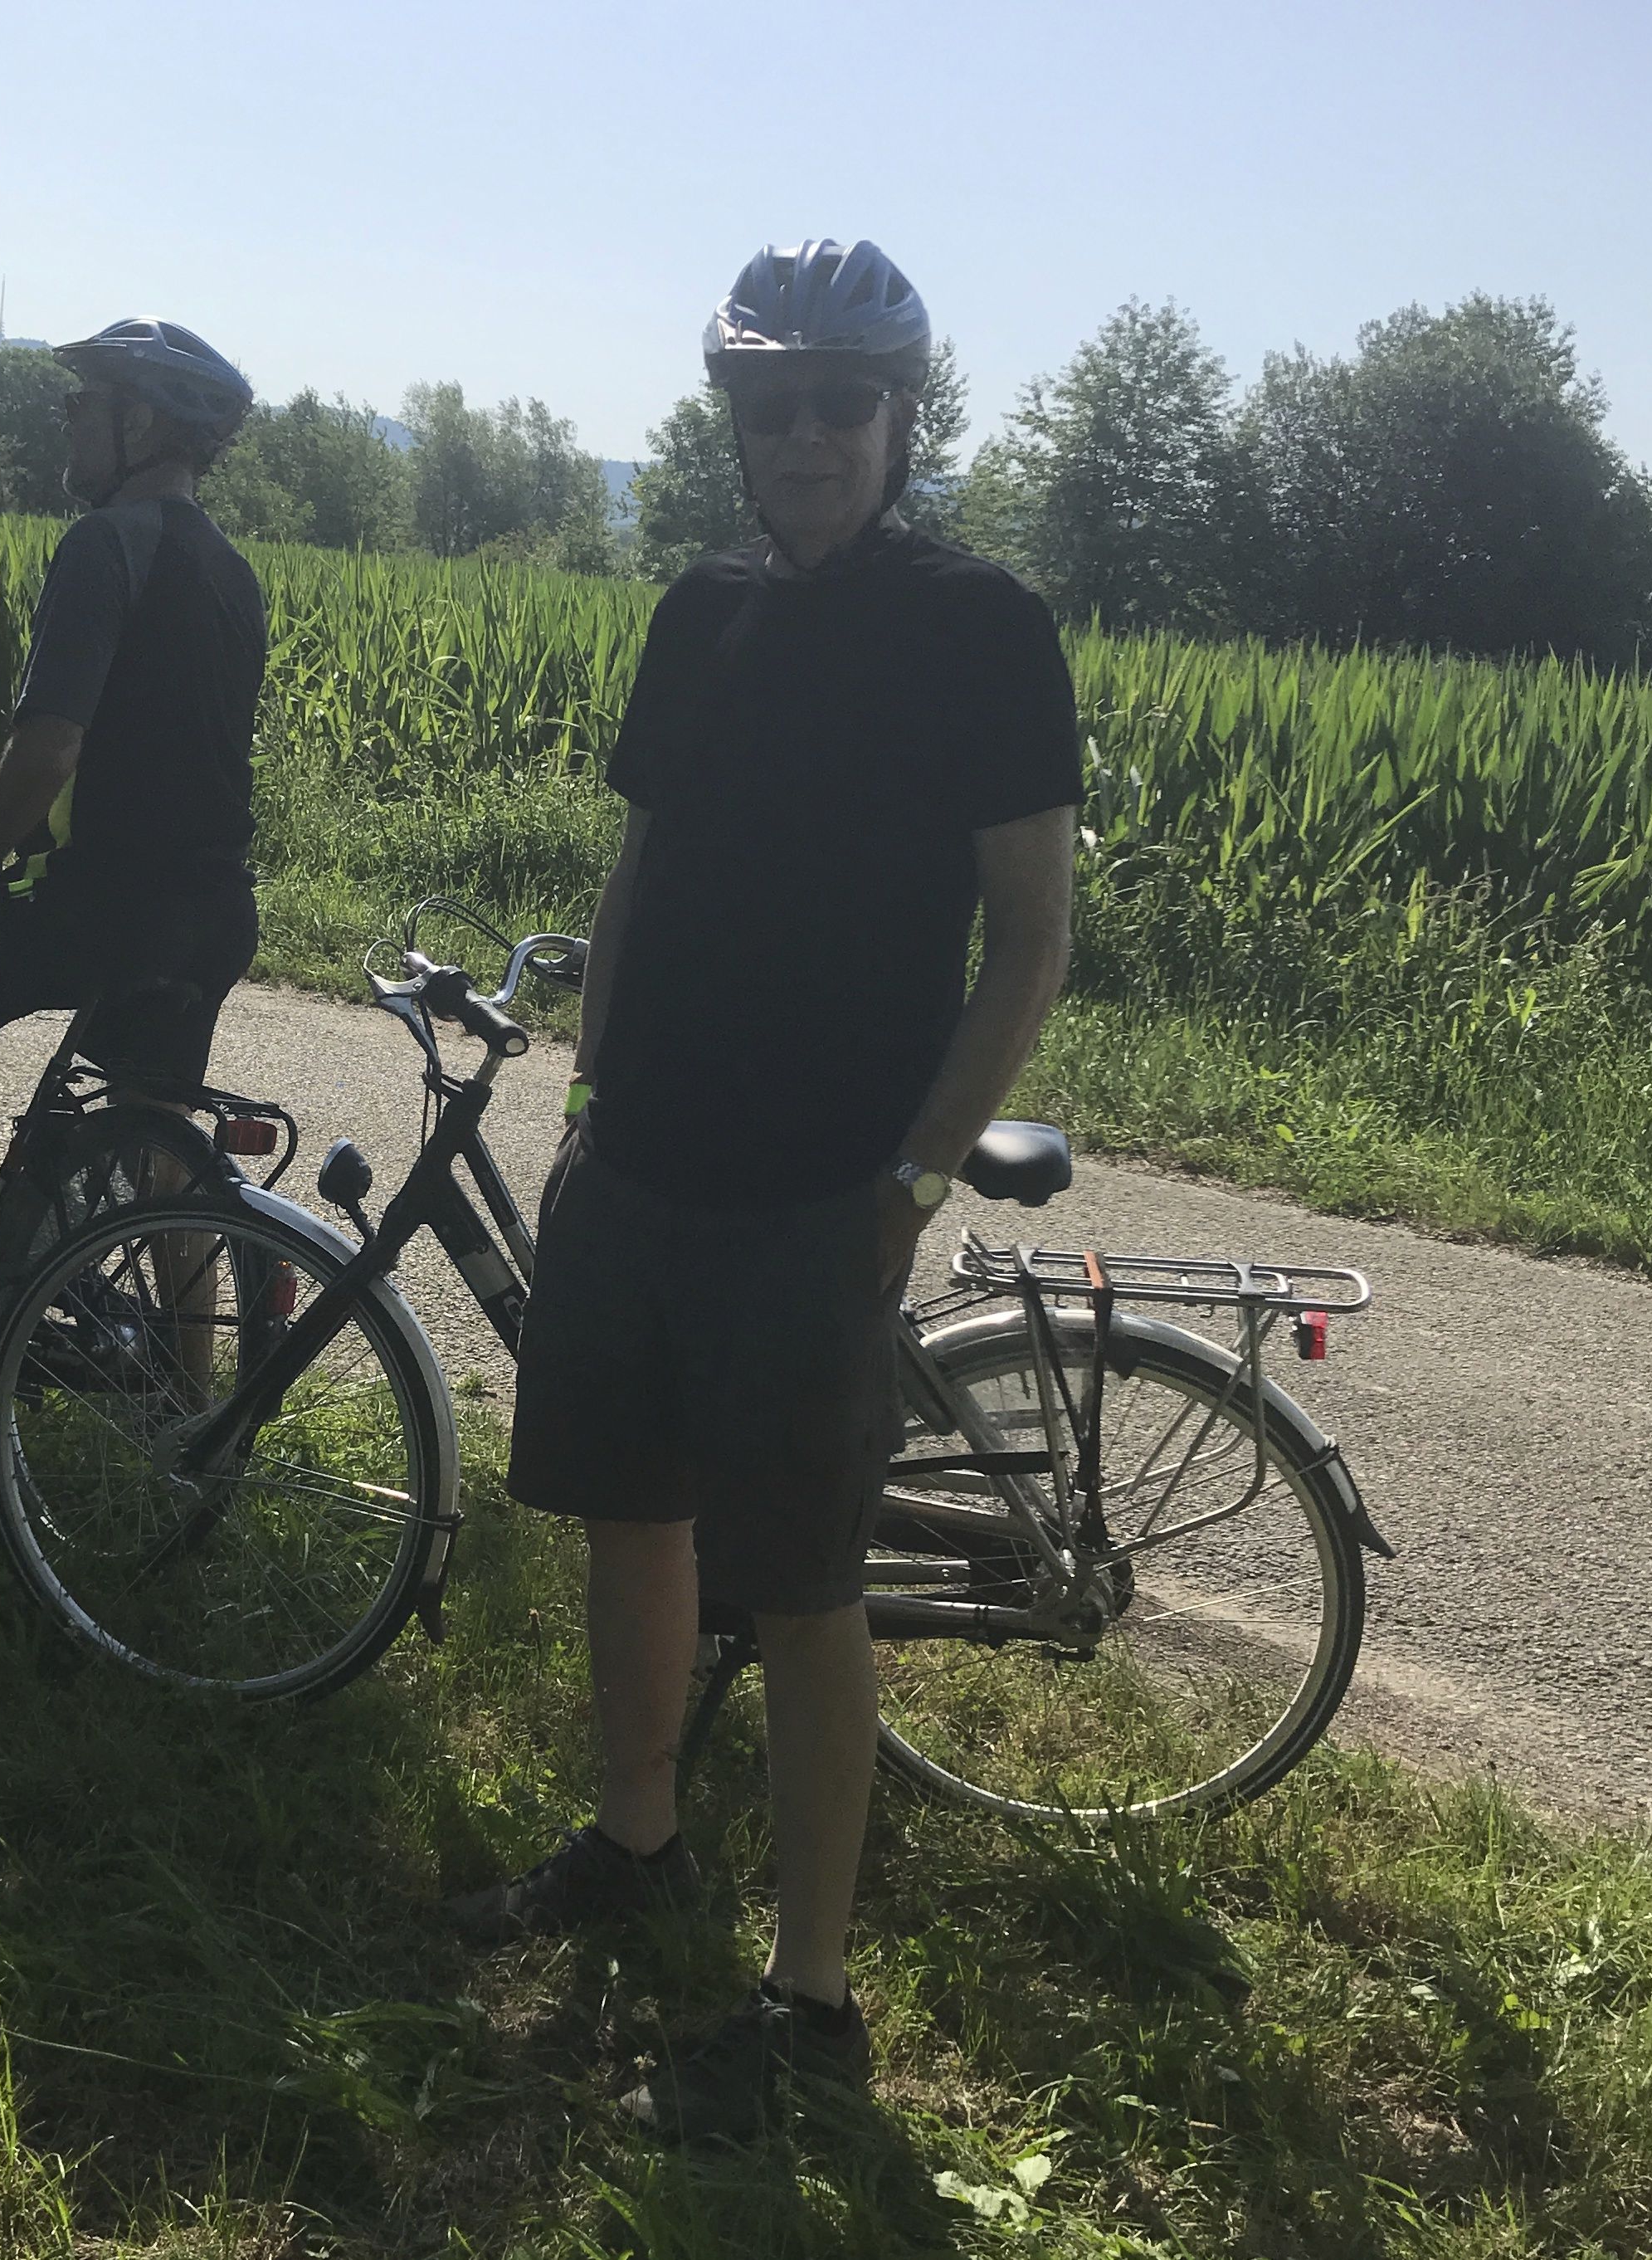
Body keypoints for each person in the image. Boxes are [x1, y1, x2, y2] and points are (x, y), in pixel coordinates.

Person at [451, 239, 1083, 2144]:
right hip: (639, 1160)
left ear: (900, 420)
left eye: (840, 405)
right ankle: (635, 1840)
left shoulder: (981, 626)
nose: (803, 438)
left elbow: (1028, 943)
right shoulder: (697, 609)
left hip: (822, 1188)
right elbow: (640, 867)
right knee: (627, 1524)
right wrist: (587, 1098)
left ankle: (806, 2002)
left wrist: (901, 1181)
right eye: (769, 406)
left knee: (804, 1596)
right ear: (734, 421)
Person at [0, 319, 266, 1098]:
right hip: (214, 914)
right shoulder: (235, 574)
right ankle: (187, 1220)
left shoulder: (103, 544)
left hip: (106, 907)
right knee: (150, 1142)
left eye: (84, 402)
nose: (68, 419)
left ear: (136, 421)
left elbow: (48, 749)